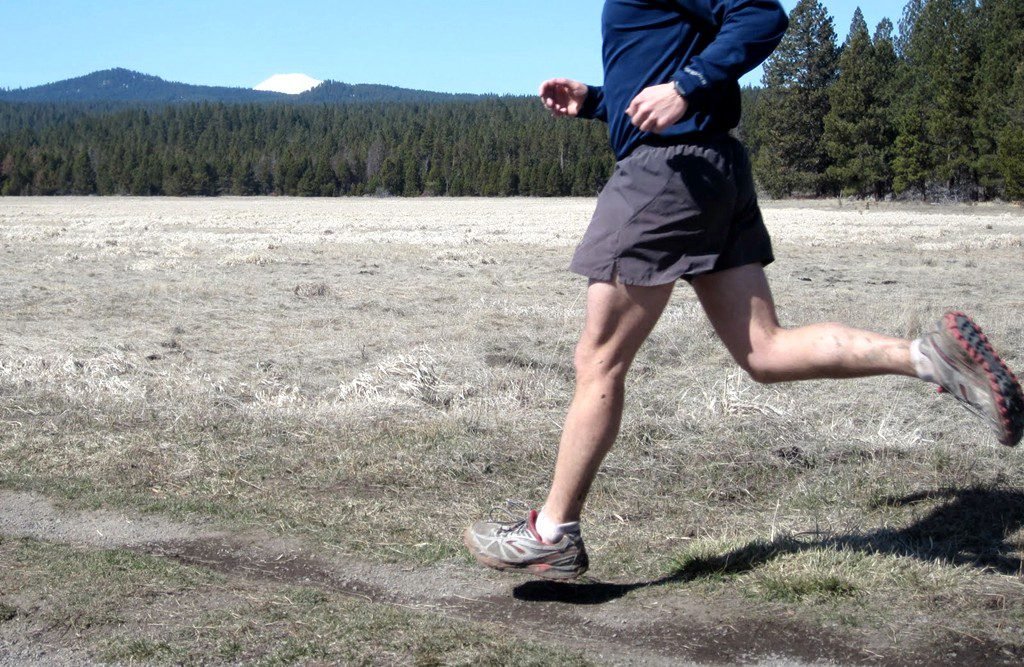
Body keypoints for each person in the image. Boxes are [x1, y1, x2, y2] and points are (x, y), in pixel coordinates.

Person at [463, 0, 1024, 581]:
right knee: (765, 350)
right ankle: (929, 357)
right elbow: (666, 69)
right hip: (711, 165)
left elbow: (761, 15)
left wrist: (684, 87)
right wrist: (599, 102)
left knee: (599, 359)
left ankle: (552, 533)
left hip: (666, 173)